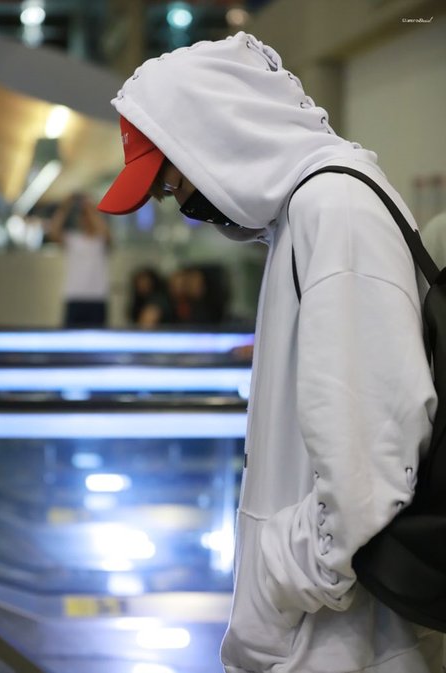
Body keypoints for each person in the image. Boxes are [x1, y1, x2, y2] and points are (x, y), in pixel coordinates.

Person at [97, 32, 440, 673]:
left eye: (170, 178)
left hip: (345, 644)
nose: (176, 200)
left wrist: (277, 578)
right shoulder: (310, 211)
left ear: (213, 135)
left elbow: (368, 477)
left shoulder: (334, 209)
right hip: (324, 635)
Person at [48, 192, 111, 328]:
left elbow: (106, 234)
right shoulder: (73, 240)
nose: (86, 219)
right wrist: (64, 207)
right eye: (83, 216)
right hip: (74, 296)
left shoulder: (100, 241)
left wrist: (91, 209)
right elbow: (53, 232)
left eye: (88, 216)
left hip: (97, 297)